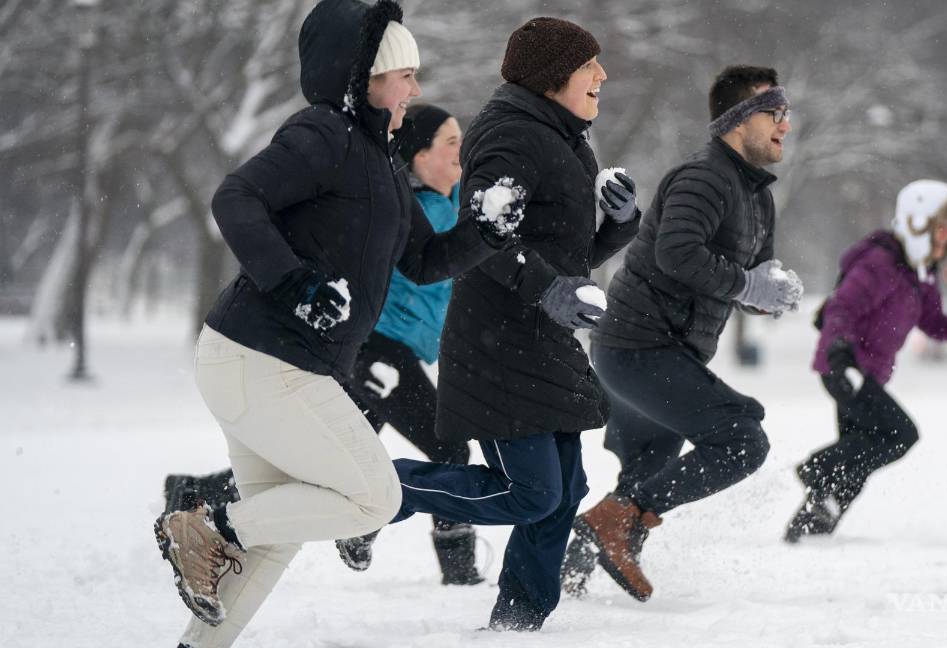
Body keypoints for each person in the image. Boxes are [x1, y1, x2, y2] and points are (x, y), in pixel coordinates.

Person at [152, 2, 518, 646]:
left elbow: (425, 259)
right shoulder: (323, 134)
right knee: (375, 497)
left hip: (275, 365)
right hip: (263, 359)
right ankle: (207, 523)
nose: (416, 89)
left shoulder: (382, 160)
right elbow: (236, 197)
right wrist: (295, 283)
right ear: (368, 79)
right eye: (406, 76)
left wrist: (484, 232)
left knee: (278, 531)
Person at [384, 17, 639, 631]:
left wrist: (619, 225)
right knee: (530, 492)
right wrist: (547, 289)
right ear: (553, 76)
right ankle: (376, 488)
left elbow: (566, 253)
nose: (602, 75)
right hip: (497, 344)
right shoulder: (509, 136)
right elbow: (482, 241)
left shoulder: (565, 137)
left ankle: (519, 622)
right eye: (589, 65)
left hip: (542, 340)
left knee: (564, 490)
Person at [161, 103, 485, 587]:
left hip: (394, 352)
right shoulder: (398, 211)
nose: (462, 151)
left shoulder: (451, 204)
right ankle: (453, 569)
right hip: (378, 351)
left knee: (318, 465)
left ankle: (195, 495)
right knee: (448, 448)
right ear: (419, 156)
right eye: (451, 143)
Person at [560, 66, 803, 602]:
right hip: (639, 347)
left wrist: (769, 292)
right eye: (773, 112)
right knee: (742, 440)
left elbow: (741, 278)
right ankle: (618, 523)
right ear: (737, 120)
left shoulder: (757, 197)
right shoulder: (704, 178)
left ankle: (565, 575)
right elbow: (678, 254)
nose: (785, 124)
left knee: (649, 465)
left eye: (786, 113)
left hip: (656, 351)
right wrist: (748, 285)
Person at [784, 179, 947, 543]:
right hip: (845, 367)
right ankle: (816, 468)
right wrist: (840, 354)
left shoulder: (920, 274)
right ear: (916, 224)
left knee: (859, 456)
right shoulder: (880, 264)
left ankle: (809, 529)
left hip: (868, 373)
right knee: (899, 434)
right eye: (941, 227)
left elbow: (933, 322)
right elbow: (842, 308)